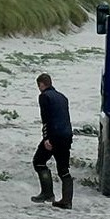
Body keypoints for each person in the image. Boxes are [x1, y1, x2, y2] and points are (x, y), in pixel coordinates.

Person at [32, 73, 74, 209]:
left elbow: (46, 119)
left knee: (38, 161)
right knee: (64, 170)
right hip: (66, 136)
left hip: (54, 136)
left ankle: (47, 193)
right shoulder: (63, 97)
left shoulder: (44, 97)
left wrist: (46, 138)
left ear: (41, 84)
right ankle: (67, 201)